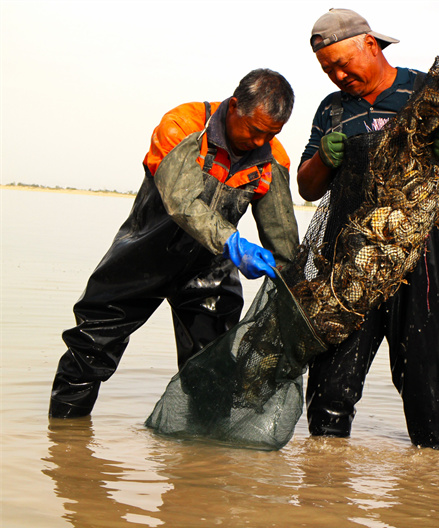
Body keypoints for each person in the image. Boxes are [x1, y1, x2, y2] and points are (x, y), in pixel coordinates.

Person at [49, 68, 300, 418]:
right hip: (143, 257)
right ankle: (66, 443)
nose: (261, 142)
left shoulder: (273, 159)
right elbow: (181, 202)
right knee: (90, 348)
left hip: (209, 270)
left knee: (212, 370)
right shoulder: (182, 126)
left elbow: (283, 236)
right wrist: (234, 242)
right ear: (234, 106)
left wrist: (291, 280)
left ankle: (203, 466)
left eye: (271, 134)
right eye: (255, 131)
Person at [297, 8, 439, 450]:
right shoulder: (332, 109)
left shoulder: (425, 90)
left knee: (427, 384)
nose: (338, 75)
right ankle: (323, 490)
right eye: (328, 69)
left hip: (420, 259)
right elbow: (306, 187)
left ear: (371, 45)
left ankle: (429, 480)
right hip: (348, 262)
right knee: (329, 390)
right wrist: (324, 157)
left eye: (343, 63)